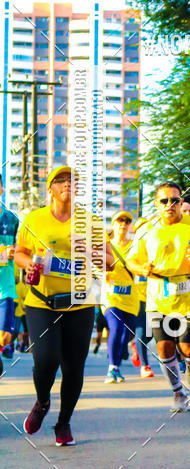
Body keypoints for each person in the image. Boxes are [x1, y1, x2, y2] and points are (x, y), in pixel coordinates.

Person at [14, 166, 113, 445]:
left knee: (73, 367)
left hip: (79, 304)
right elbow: (20, 254)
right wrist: (30, 264)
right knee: (45, 360)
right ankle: (42, 402)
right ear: (50, 189)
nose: (67, 184)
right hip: (41, 302)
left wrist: (88, 250)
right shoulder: (34, 219)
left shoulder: (90, 220)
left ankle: (63, 422)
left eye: (72, 180)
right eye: (60, 180)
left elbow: (109, 262)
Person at [128, 182, 190, 411]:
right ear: (156, 204)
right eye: (164, 201)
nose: (169, 205)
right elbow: (131, 260)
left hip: (188, 296)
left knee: (189, 349)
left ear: (181, 202)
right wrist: (141, 269)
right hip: (157, 297)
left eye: (175, 200)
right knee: (164, 348)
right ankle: (178, 393)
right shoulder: (147, 230)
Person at [103, 211, 140, 384]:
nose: (123, 224)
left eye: (127, 221)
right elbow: (95, 264)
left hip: (131, 297)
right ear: (113, 223)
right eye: (119, 220)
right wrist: (101, 274)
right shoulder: (106, 245)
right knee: (116, 328)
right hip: (111, 296)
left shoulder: (136, 245)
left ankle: (116, 363)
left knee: (128, 334)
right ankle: (112, 368)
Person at [0, 174, 19, 370]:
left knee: (5, 336)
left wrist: (15, 250)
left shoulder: (11, 219)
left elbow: (18, 247)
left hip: (5, 286)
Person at [132, 217, 154, 378]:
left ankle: (136, 345)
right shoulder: (132, 251)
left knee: (151, 333)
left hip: (154, 296)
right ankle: (145, 366)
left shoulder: (155, 248)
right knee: (141, 331)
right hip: (137, 298)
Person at [13, 272, 29, 353]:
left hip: (19, 312)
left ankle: (19, 347)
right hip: (12, 311)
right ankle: (11, 346)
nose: (17, 278)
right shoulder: (10, 285)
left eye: (17, 277)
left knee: (18, 331)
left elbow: (24, 297)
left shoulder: (21, 285)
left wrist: (24, 306)